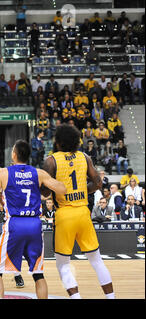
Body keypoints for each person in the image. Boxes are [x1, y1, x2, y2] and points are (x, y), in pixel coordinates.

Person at [42, 124, 115, 299]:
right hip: (83, 212)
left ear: (58, 142)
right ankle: (111, 297)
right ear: (76, 141)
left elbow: (44, 192)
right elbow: (98, 183)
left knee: (63, 265)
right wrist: (82, 190)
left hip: (64, 215)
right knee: (97, 261)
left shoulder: (51, 160)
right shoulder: (85, 157)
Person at [0, 140, 66, 299]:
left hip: (15, 224)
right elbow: (62, 189)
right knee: (38, 274)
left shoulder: (4, 173)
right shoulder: (39, 173)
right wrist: (43, 187)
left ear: (14, 154)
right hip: (35, 224)